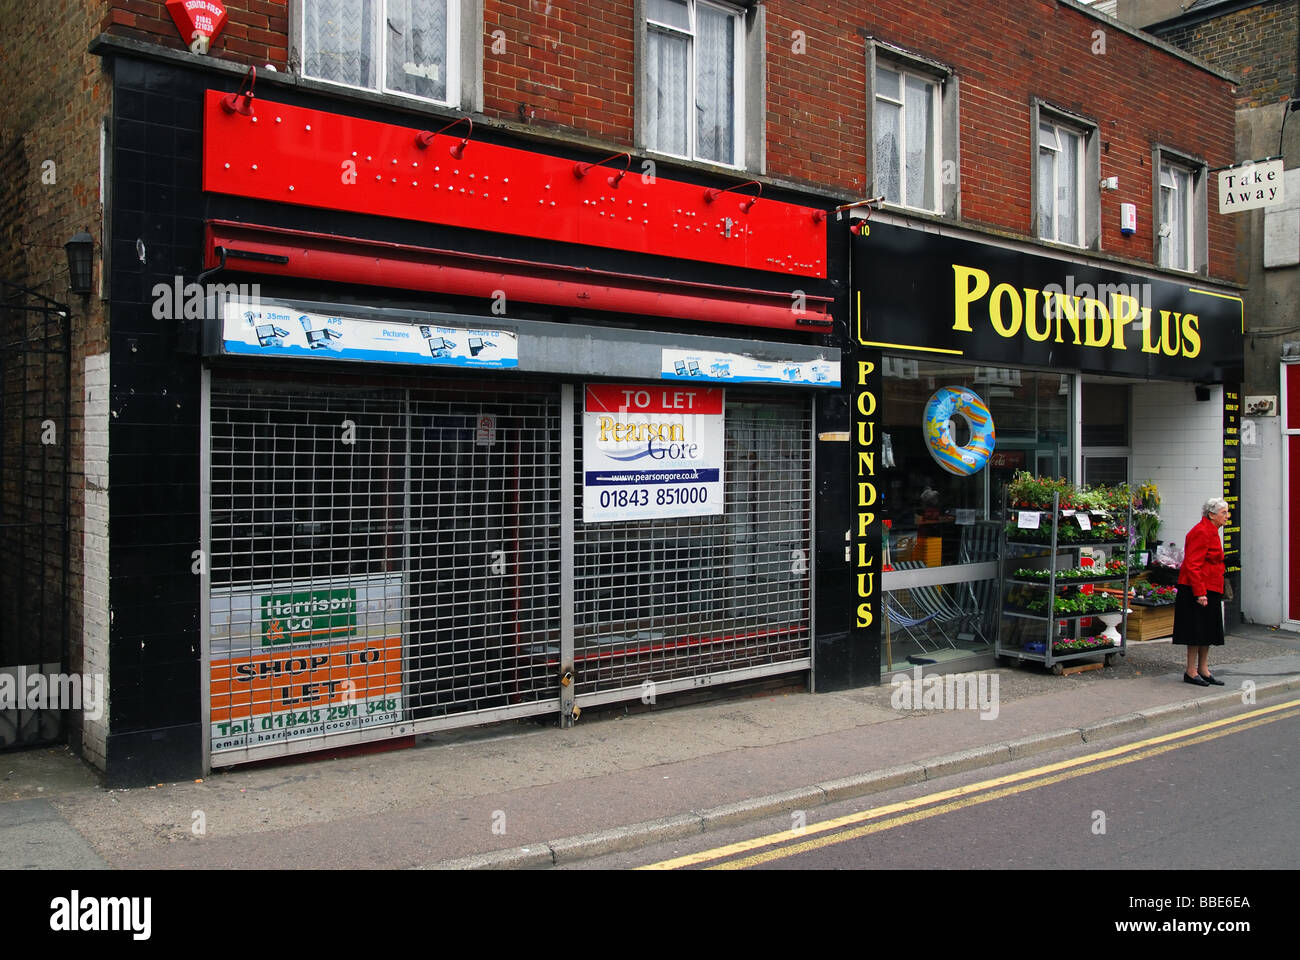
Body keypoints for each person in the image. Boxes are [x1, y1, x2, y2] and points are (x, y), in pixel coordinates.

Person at [1172, 498, 1231, 686]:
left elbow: (1211, 560)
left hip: (1210, 588)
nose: (1227, 516)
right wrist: (1200, 593)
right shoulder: (1201, 531)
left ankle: (1203, 669)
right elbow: (1192, 564)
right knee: (1196, 631)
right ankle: (1191, 671)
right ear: (1211, 514)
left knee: (1207, 631)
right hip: (1197, 589)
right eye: (1223, 512)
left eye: (1227, 512)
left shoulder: (1211, 531)